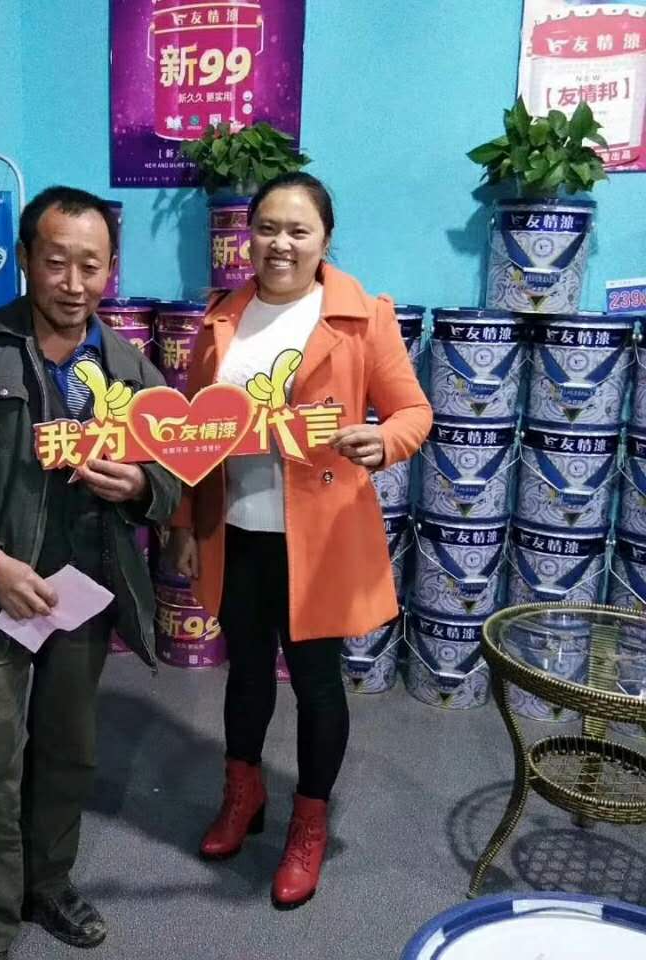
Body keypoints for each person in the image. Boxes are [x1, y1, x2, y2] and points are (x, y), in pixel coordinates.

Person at [0, 186, 181, 959]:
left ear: (111, 270)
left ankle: (47, 884)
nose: (74, 283)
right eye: (57, 262)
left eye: (92, 265)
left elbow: (173, 479)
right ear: (25, 259)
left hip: (83, 596)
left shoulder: (131, 370)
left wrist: (141, 485)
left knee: (67, 753)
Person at [169, 171, 432, 909]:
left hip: (317, 538)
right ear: (246, 236)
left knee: (316, 682)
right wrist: (184, 523)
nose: (279, 243)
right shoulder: (221, 319)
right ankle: (242, 793)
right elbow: (191, 435)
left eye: (298, 230)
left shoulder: (361, 317)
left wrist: (385, 442)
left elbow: (413, 411)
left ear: (324, 240)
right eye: (266, 228)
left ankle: (308, 825)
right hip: (236, 530)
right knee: (246, 673)